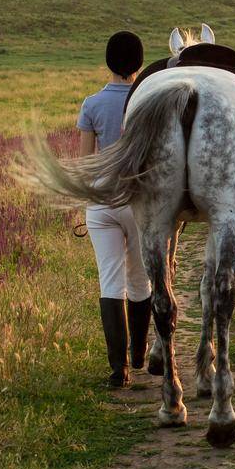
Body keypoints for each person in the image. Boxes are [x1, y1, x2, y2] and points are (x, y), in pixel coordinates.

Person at [77, 30, 153, 389]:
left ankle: (118, 368)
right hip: (138, 201)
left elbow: (85, 162)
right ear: (138, 64)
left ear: (108, 62)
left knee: (111, 279)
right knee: (140, 279)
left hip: (101, 202)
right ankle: (140, 353)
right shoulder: (147, 104)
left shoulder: (91, 105)